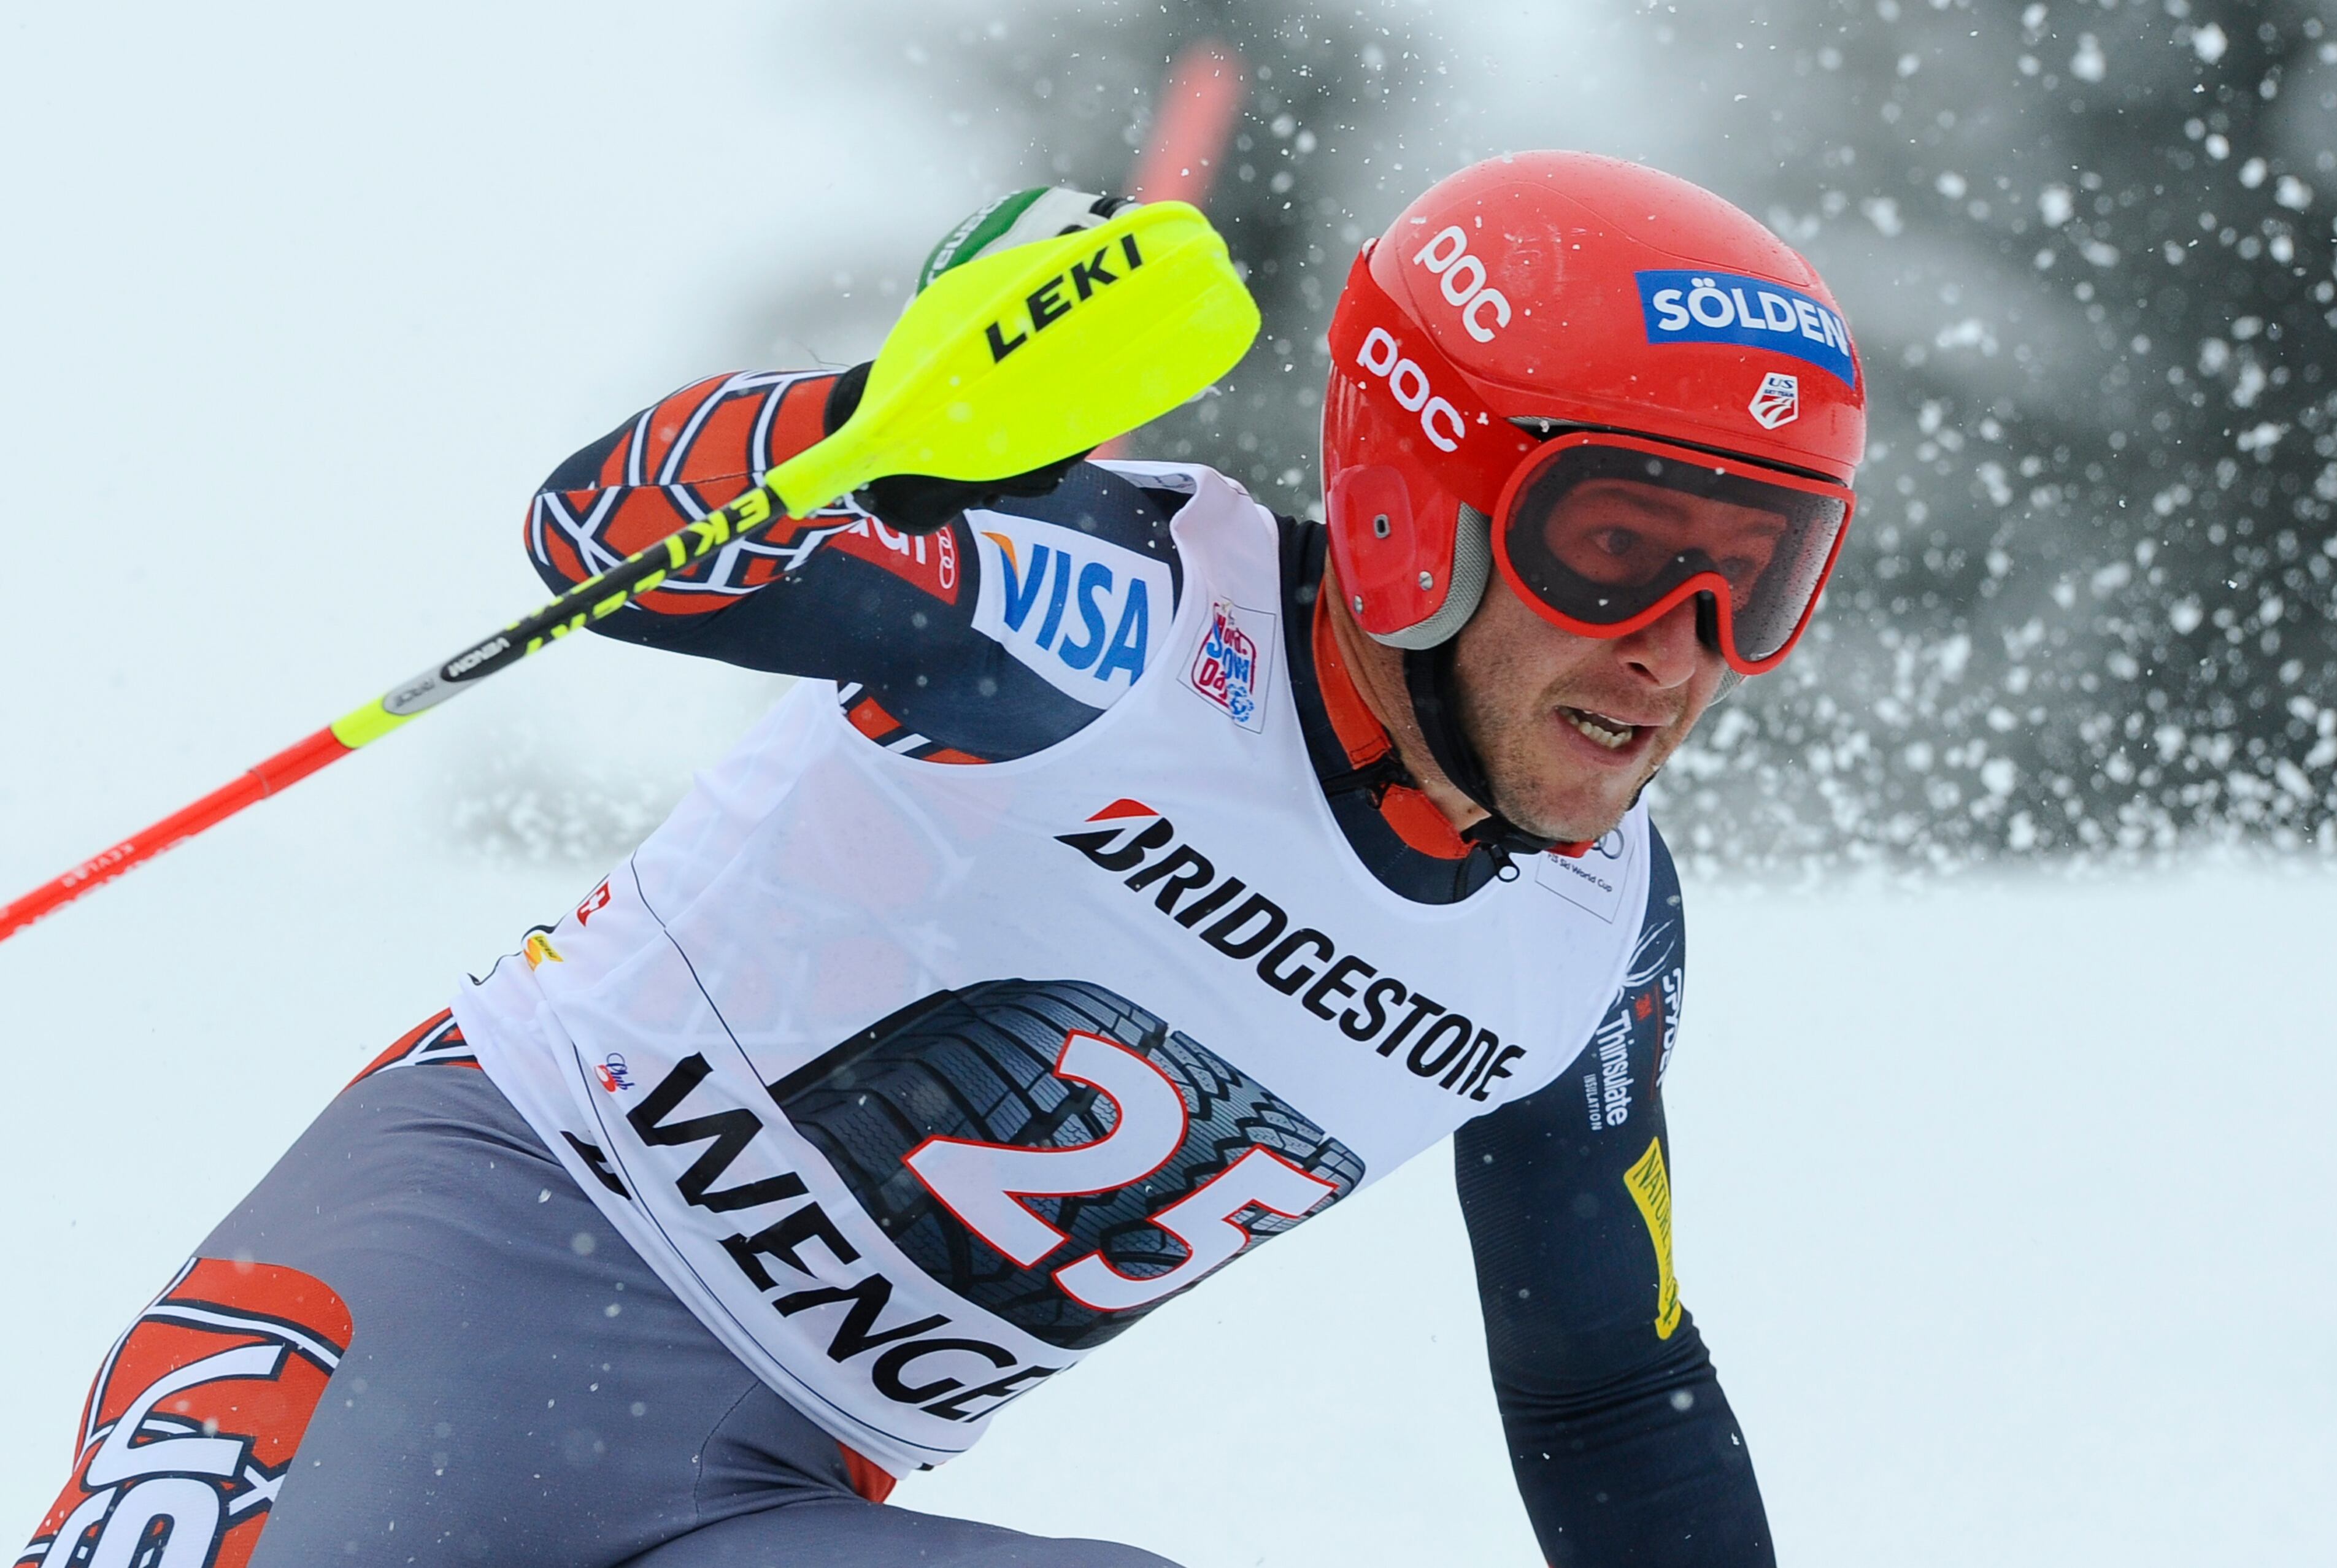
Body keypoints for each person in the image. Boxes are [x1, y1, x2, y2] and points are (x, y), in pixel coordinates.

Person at [20, 154, 1865, 1567]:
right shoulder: (1114, 619)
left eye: (1762, 574)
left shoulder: (1593, 937)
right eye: (1618, 545)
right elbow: (604, 528)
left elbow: (1610, 1388)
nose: (1683, 644)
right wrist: (887, 428)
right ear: (1420, 502)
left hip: (762, 1492)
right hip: (458, 1287)